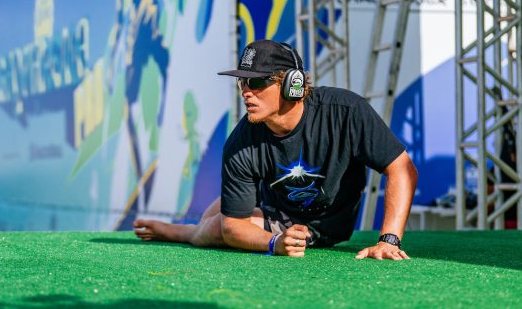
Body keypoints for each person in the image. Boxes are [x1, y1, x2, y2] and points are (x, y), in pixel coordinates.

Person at [134, 40, 418, 260]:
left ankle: (185, 233)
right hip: (272, 201)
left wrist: (388, 240)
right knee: (223, 213)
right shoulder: (239, 142)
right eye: (242, 82)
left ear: (293, 85)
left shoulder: (346, 111)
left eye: (256, 81)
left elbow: (401, 169)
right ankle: (192, 230)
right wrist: (273, 243)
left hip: (319, 223)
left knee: (216, 227)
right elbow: (236, 224)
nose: (246, 91)